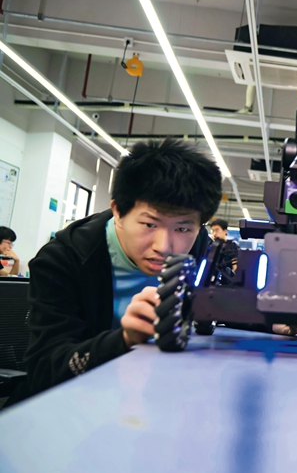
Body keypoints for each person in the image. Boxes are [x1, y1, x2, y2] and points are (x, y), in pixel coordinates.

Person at [7, 139, 222, 405]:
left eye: (182, 228)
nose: (164, 246)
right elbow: (44, 369)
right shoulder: (64, 259)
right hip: (72, 405)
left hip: (155, 395)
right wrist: (124, 339)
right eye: (149, 224)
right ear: (118, 211)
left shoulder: (200, 249)